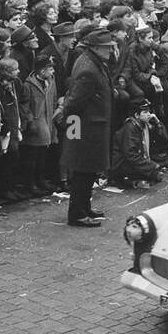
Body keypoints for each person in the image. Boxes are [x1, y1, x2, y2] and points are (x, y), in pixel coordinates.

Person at [54, 26, 115, 227]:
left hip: (88, 124)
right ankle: (78, 213)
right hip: (87, 125)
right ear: (96, 48)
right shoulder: (89, 68)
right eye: (106, 47)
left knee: (87, 169)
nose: (110, 50)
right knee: (82, 169)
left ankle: (84, 207)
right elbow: (75, 101)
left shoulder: (91, 61)